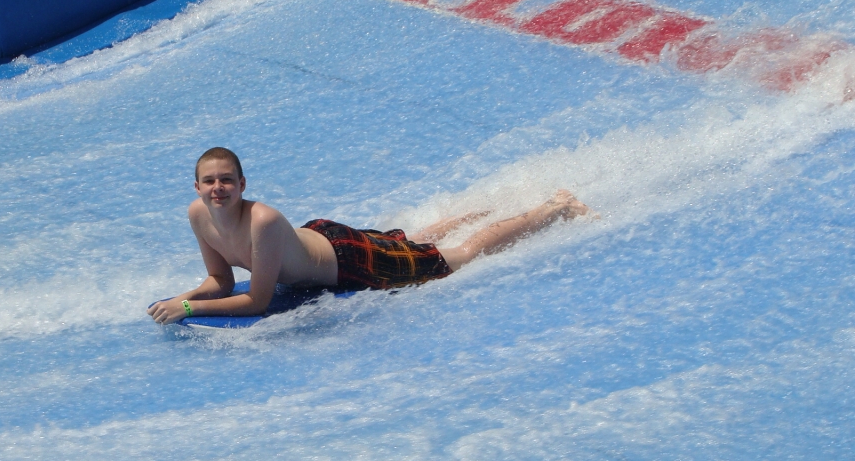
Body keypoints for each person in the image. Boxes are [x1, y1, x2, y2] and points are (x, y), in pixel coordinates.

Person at [147, 147, 593, 324]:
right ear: (197, 188)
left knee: (458, 257)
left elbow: (258, 300)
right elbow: (221, 282)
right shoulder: (198, 215)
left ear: (243, 185)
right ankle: (488, 206)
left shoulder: (262, 220)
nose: (218, 188)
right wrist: (183, 297)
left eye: (227, 180)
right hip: (325, 239)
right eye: (209, 182)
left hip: (350, 262)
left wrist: (186, 308)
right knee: (412, 239)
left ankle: (555, 207)